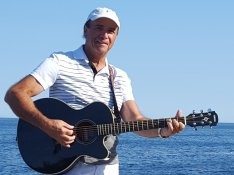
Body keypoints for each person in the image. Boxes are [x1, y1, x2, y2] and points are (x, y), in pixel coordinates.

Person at [5, 7, 185, 175]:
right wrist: (49, 126)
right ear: (86, 30)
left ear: (115, 37)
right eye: (99, 27)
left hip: (107, 168)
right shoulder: (59, 62)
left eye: (110, 31)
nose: (104, 35)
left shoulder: (119, 77)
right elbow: (15, 94)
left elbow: (135, 121)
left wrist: (163, 131)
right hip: (65, 165)